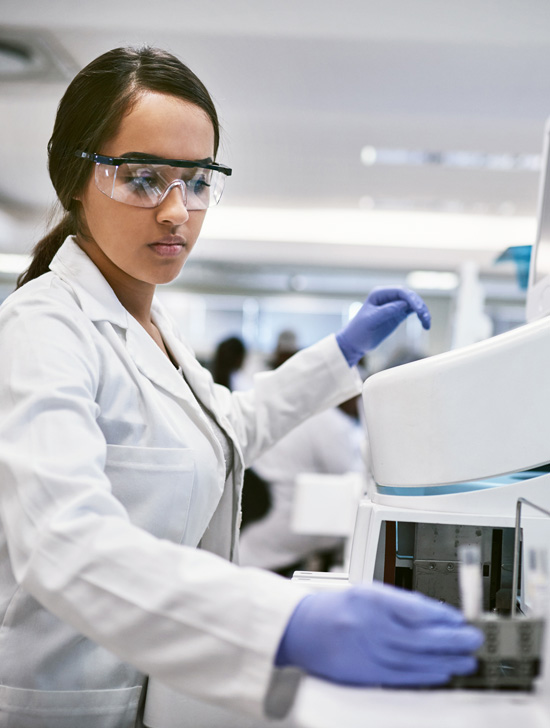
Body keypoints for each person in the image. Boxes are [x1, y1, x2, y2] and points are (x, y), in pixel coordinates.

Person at [0, 46, 483, 728]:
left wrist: (340, 352)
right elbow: (63, 544)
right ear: (74, 179)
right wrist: (287, 623)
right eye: (143, 178)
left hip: (156, 693)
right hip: (69, 702)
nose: (178, 211)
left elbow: (232, 427)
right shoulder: (42, 330)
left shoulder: (151, 329)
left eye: (197, 181)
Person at [239, 397, 364, 576]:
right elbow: (351, 476)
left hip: (262, 533)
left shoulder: (298, 409)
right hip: (286, 526)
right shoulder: (328, 422)